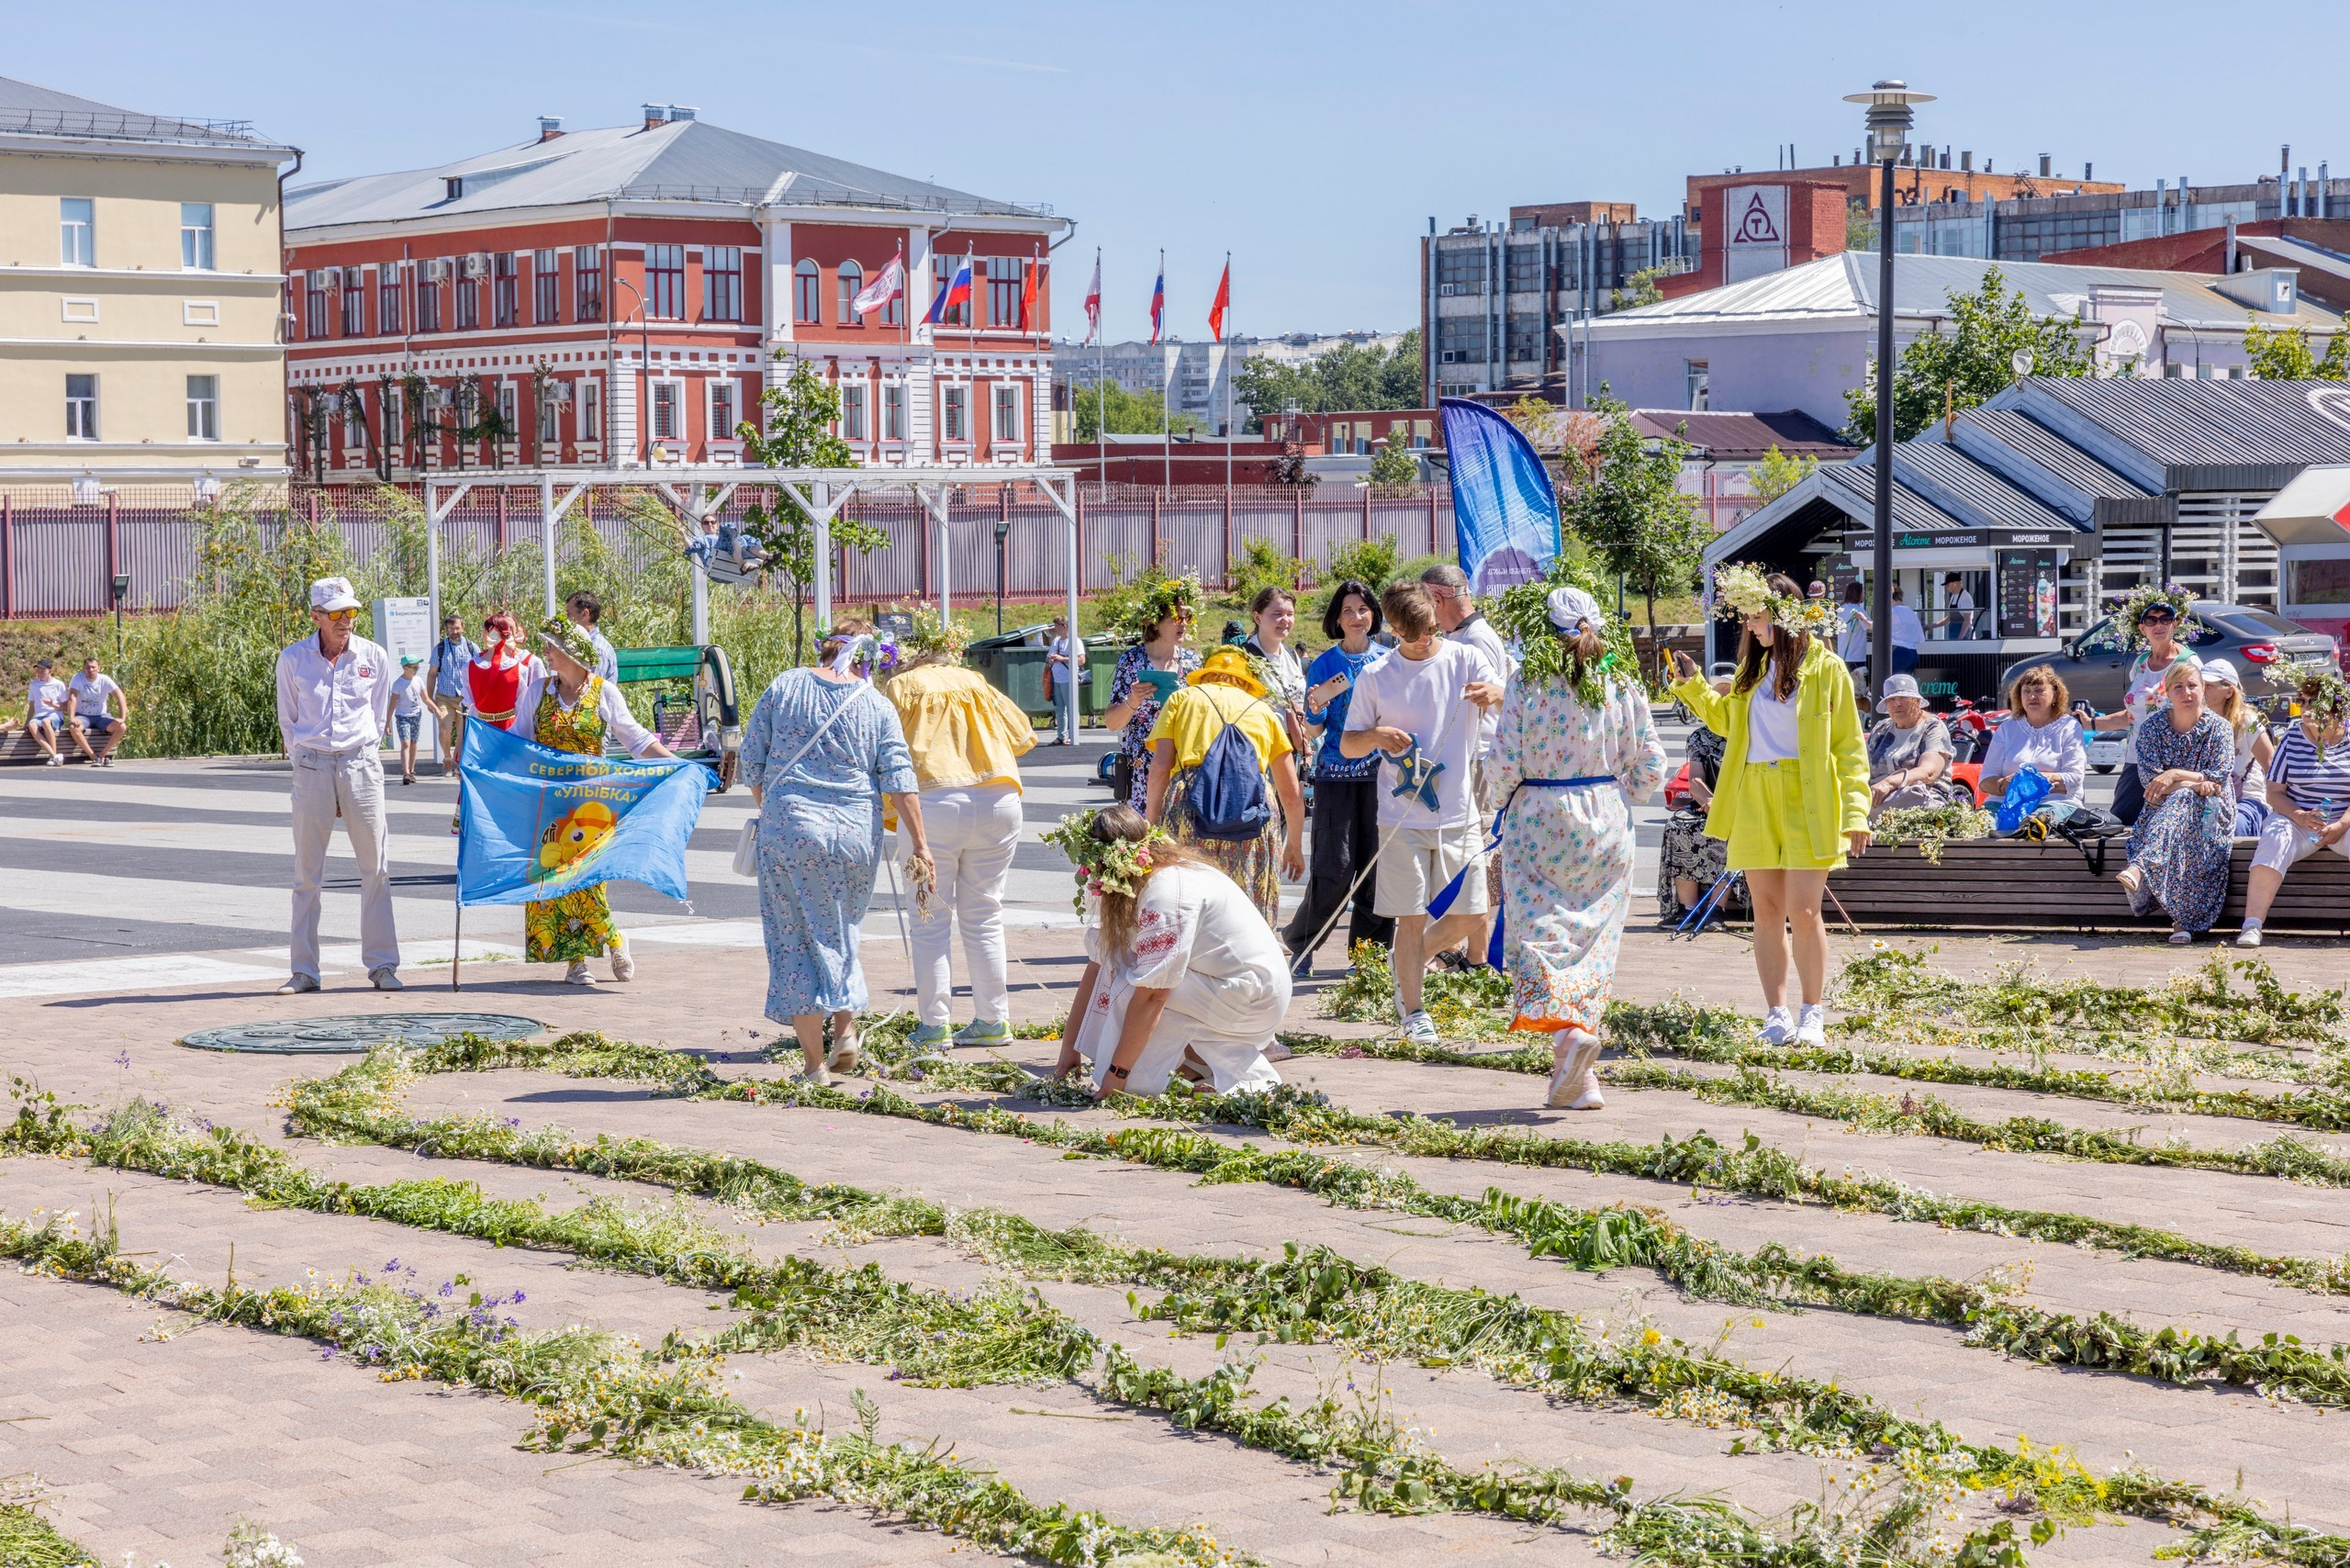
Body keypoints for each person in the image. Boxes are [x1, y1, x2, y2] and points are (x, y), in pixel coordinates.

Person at [1667, 565, 1871, 1048]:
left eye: (1755, 616)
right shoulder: (1750, 671)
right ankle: (1777, 1015)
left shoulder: (1826, 668)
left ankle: (1812, 1014)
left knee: (1805, 911)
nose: (1749, 625)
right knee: (1766, 911)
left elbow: (1849, 746)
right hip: (1755, 793)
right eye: (1746, 617)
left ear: (1781, 615)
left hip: (1810, 795)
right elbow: (1725, 723)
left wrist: (1856, 812)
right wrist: (1692, 684)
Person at [1487, 584, 1667, 1109]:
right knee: (1594, 938)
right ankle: (1581, 1077)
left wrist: (1498, 802)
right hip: (1605, 817)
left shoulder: (1527, 680)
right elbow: (1652, 762)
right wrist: (1621, 794)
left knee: (1540, 931)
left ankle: (1569, 1038)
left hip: (1540, 814)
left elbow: (1503, 762)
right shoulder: (1620, 679)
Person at [742, 618, 932, 1087]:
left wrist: (776, 809)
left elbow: (751, 759)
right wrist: (921, 844)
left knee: (794, 938)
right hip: (854, 833)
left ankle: (814, 1067)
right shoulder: (876, 704)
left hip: (791, 826)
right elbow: (899, 777)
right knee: (840, 927)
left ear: (825, 647)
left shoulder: (786, 685)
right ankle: (845, 1029)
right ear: (870, 657)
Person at [1338, 581, 1504, 1047]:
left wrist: (1495, 692)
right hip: (1400, 818)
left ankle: (1403, 961)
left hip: (1458, 813)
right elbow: (1348, 745)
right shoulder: (1376, 675)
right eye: (1411, 635)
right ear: (1392, 629)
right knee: (1409, 917)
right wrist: (1376, 736)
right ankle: (1414, 1011)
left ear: (1437, 616)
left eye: (1430, 630)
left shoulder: (1465, 658)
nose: (1423, 640)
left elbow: (1513, 701)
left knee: (1472, 914)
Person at [1050, 804, 1289, 1098]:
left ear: (1110, 865)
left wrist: (1118, 1074)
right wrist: (1069, 1050)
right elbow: (1098, 964)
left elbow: (1153, 995)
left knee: (1131, 986)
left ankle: (1152, 1076)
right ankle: (1195, 1064)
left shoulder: (1164, 896)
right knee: (1124, 965)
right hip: (1245, 990)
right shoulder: (1161, 872)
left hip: (1256, 1002)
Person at [883, 610, 1036, 1047]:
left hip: (932, 801)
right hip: (998, 798)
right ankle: (993, 1019)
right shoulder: (974, 680)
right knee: (985, 914)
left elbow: (882, 748)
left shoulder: (901, 687)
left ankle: (935, 1026)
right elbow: (1022, 733)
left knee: (929, 918)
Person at [511, 617, 676, 985]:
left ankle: (610, 941)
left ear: (571, 653)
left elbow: (635, 739)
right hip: (549, 803)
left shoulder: (604, 692)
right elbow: (519, 742)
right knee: (553, 881)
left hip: (592, 805)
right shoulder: (538, 691)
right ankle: (579, 961)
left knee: (587, 880)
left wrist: (676, 765)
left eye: (552, 646)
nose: (545, 651)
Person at [274, 577, 400, 994]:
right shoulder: (293, 659)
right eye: (336, 613)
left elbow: (378, 715)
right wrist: (306, 764)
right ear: (316, 616)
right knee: (306, 874)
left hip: (360, 764)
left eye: (351, 611)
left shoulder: (374, 655)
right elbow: (288, 720)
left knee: (376, 869)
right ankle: (304, 971)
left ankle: (383, 966)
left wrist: (361, 758)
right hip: (312, 765)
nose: (346, 620)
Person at [1144, 645, 1307, 924]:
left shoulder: (1182, 699)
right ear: (1247, 680)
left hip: (1190, 804)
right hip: (1251, 807)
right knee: (1248, 905)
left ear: (1206, 674)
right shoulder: (1263, 710)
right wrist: (1293, 844)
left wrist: (1151, 826)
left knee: (1185, 897)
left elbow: (1159, 770)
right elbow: (1291, 794)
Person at [1281, 580, 1394, 972]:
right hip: (1335, 776)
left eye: (1363, 609)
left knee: (1376, 870)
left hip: (1381, 777)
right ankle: (1302, 943)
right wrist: (1314, 710)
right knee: (1335, 868)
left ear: (1373, 615)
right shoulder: (1325, 664)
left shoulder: (1390, 660)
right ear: (1338, 619)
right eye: (1348, 611)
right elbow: (1314, 730)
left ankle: (1368, 958)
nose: (1356, 617)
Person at [2115, 660, 2233, 944]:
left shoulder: (2219, 728)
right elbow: (2151, 784)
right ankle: (2181, 923)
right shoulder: (2152, 728)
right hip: (2161, 810)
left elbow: (2217, 778)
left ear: (2203, 689)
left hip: (2212, 810)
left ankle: (2140, 867)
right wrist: (2194, 783)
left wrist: (2175, 774)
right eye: (2178, 687)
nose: (2187, 692)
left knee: (2184, 805)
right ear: (2167, 693)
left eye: (2192, 686)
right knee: (2181, 803)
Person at [2232, 666, 2350, 948]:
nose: (2305, 709)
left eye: (2313, 702)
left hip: (2344, 822)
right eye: (2302, 701)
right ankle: (2252, 925)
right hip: (2298, 819)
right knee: (2274, 837)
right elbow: (2274, 792)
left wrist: (2341, 825)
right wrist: (2299, 816)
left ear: (2334, 706)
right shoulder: (2292, 737)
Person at [2086, 595, 2199, 827]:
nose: (2159, 625)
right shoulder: (2140, 664)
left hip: (2172, 760)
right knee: (2120, 824)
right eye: (2151, 620)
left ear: (2175, 624)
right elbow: (2133, 715)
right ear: (2142, 628)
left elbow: (2199, 712)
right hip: (2136, 759)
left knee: (2169, 827)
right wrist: (2090, 723)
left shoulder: (2188, 663)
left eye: (2166, 619)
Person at [1101, 576, 1203, 812]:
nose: (1183, 624)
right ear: (1155, 623)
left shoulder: (1192, 662)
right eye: (1176, 618)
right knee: (1143, 833)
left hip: (1183, 766)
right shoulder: (1132, 661)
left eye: (1187, 617)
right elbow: (1112, 723)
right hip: (1141, 771)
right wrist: (1133, 701)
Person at [1977, 666, 2087, 805]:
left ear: (2055, 696)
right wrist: (2004, 784)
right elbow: (1985, 780)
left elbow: (2074, 779)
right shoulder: (2007, 728)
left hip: (2052, 803)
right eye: (2026, 691)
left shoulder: (2069, 726)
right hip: (2003, 803)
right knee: (1971, 820)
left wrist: (2032, 781)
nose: (2032, 696)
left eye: (2039, 690)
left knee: (2034, 821)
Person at [1658, 722, 1731, 924]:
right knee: (1679, 827)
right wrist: (1711, 802)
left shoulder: (1754, 730)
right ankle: (1687, 908)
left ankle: (1717, 909)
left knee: (1730, 830)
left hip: (1745, 803)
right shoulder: (1701, 736)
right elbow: (1695, 780)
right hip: (1709, 802)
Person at [1864, 674, 1956, 819]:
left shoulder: (1933, 727)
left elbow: (1929, 773)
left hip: (1918, 798)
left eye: (1903, 697)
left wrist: (1888, 783)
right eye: (1891, 699)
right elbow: (1862, 766)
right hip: (1876, 797)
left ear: (1917, 701)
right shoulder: (1881, 728)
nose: (1897, 703)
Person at [2199, 660, 2274, 837]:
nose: (2202, 690)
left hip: (2246, 798)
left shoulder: (2248, 721)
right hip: (2208, 797)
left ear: (2229, 691)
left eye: (2209, 686)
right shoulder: (2197, 719)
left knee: (2235, 825)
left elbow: (2271, 766)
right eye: (2201, 684)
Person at [1240, 586, 1316, 757]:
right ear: (1257, 617)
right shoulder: (1243, 657)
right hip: (1259, 749)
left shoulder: (1292, 654)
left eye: (1290, 614)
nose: (1285, 620)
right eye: (1277, 614)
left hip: (1293, 746)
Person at [425, 612, 477, 774]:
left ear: (463, 628)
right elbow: (432, 674)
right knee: (444, 728)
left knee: (463, 733)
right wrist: (429, 699)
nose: (454, 632)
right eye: (450, 629)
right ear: (446, 630)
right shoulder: (440, 649)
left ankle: (460, 762)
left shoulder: (472, 648)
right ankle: (447, 759)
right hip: (444, 697)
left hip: (465, 698)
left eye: (457, 628)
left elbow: (480, 672)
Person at [67, 655, 128, 767]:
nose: (91, 670)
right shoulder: (77, 678)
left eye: (93, 667)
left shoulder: (104, 679)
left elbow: (120, 696)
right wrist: (72, 718)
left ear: (98, 668)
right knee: (73, 728)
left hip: (101, 716)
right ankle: (93, 756)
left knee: (122, 727)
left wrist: (122, 717)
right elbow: (72, 697)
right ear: (84, 669)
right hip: (83, 716)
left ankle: (103, 754)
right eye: (88, 668)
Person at [1045, 612, 1086, 745]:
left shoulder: (1075, 641)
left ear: (1065, 626)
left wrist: (1062, 659)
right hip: (1056, 679)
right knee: (1059, 708)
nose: (1055, 628)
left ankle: (1073, 735)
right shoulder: (1056, 641)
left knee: (1071, 708)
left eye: (1057, 625)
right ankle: (1061, 736)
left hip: (1069, 679)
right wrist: (1051, 660)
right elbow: (1048, 658)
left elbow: (1081, 660)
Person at [387, 655, 426, 786]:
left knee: (413, 743)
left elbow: (425, 698)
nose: (416, 670)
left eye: (417, 667)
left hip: (416, 715)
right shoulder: (398, 684)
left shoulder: (418, 680)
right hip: (402, 716)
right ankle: (406, 773)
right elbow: (392, 704)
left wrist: (436, 709)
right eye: (414, 667)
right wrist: (387, 723)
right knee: (406, 743)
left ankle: (412, 771)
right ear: (405, 668)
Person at [565, 589, 620, 683]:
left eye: (569, 614)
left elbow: (592, 688)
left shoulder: (597, 649)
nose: (566, 619)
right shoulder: (584, 644)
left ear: (585, 613)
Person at [26, 658, 70, 767]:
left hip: (54, 715)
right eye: (38, 670)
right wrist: (26, 723)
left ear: (50, 670)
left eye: (43, 670)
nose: (40, 673)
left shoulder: (58, 684)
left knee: (46, 722)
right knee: (32, 725)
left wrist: (53, 705)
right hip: (39, 716)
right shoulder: (34, 685)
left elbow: (66, 706)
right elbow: (32, 706)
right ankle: (54, 755)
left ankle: (52, 757)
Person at [1835, 582, 1871, 678]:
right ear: (1857, 594)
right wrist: (1863, 618)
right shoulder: (1859, 610)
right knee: (1858, 684)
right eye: (1863, 592)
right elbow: (1871, 627)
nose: (1863, 595)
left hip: (1843, 655)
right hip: (1856, 656)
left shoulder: (1841, 609)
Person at [1887, 589, 1924, 675]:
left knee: (1893, 681)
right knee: (1907, 682)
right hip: (1913, 653)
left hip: (1899, 653)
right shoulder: (1911, 612)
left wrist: (1862, 618)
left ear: (1891, 599)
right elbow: (1920, 638)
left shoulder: (1893, 611)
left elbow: (1875, 626)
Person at [1938, 574, 1977, 640]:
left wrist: (1959, 640)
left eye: (1948, 585)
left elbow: (1967, 620)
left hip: (1965, 638)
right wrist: (1931, 626)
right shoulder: (1953, 597)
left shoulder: (1965, 597)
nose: (1946, 587)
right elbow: (1950, 617)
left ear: (1954, 584)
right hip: (1953, 636)